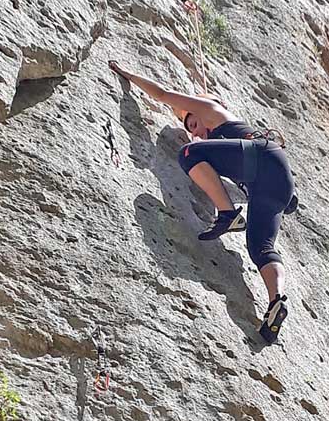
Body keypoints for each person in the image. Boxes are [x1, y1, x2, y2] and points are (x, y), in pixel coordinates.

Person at [109, 62, 297, 342]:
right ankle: (276, 300)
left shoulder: (215, 112)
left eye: (193, 123)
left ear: (201, 111)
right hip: (273, 186)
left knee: (189, 154)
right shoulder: (227, 145)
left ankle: (227, 215)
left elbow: (162, 94)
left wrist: (129, 75)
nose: (195, 131)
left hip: (262, 158)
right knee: (261, 247)